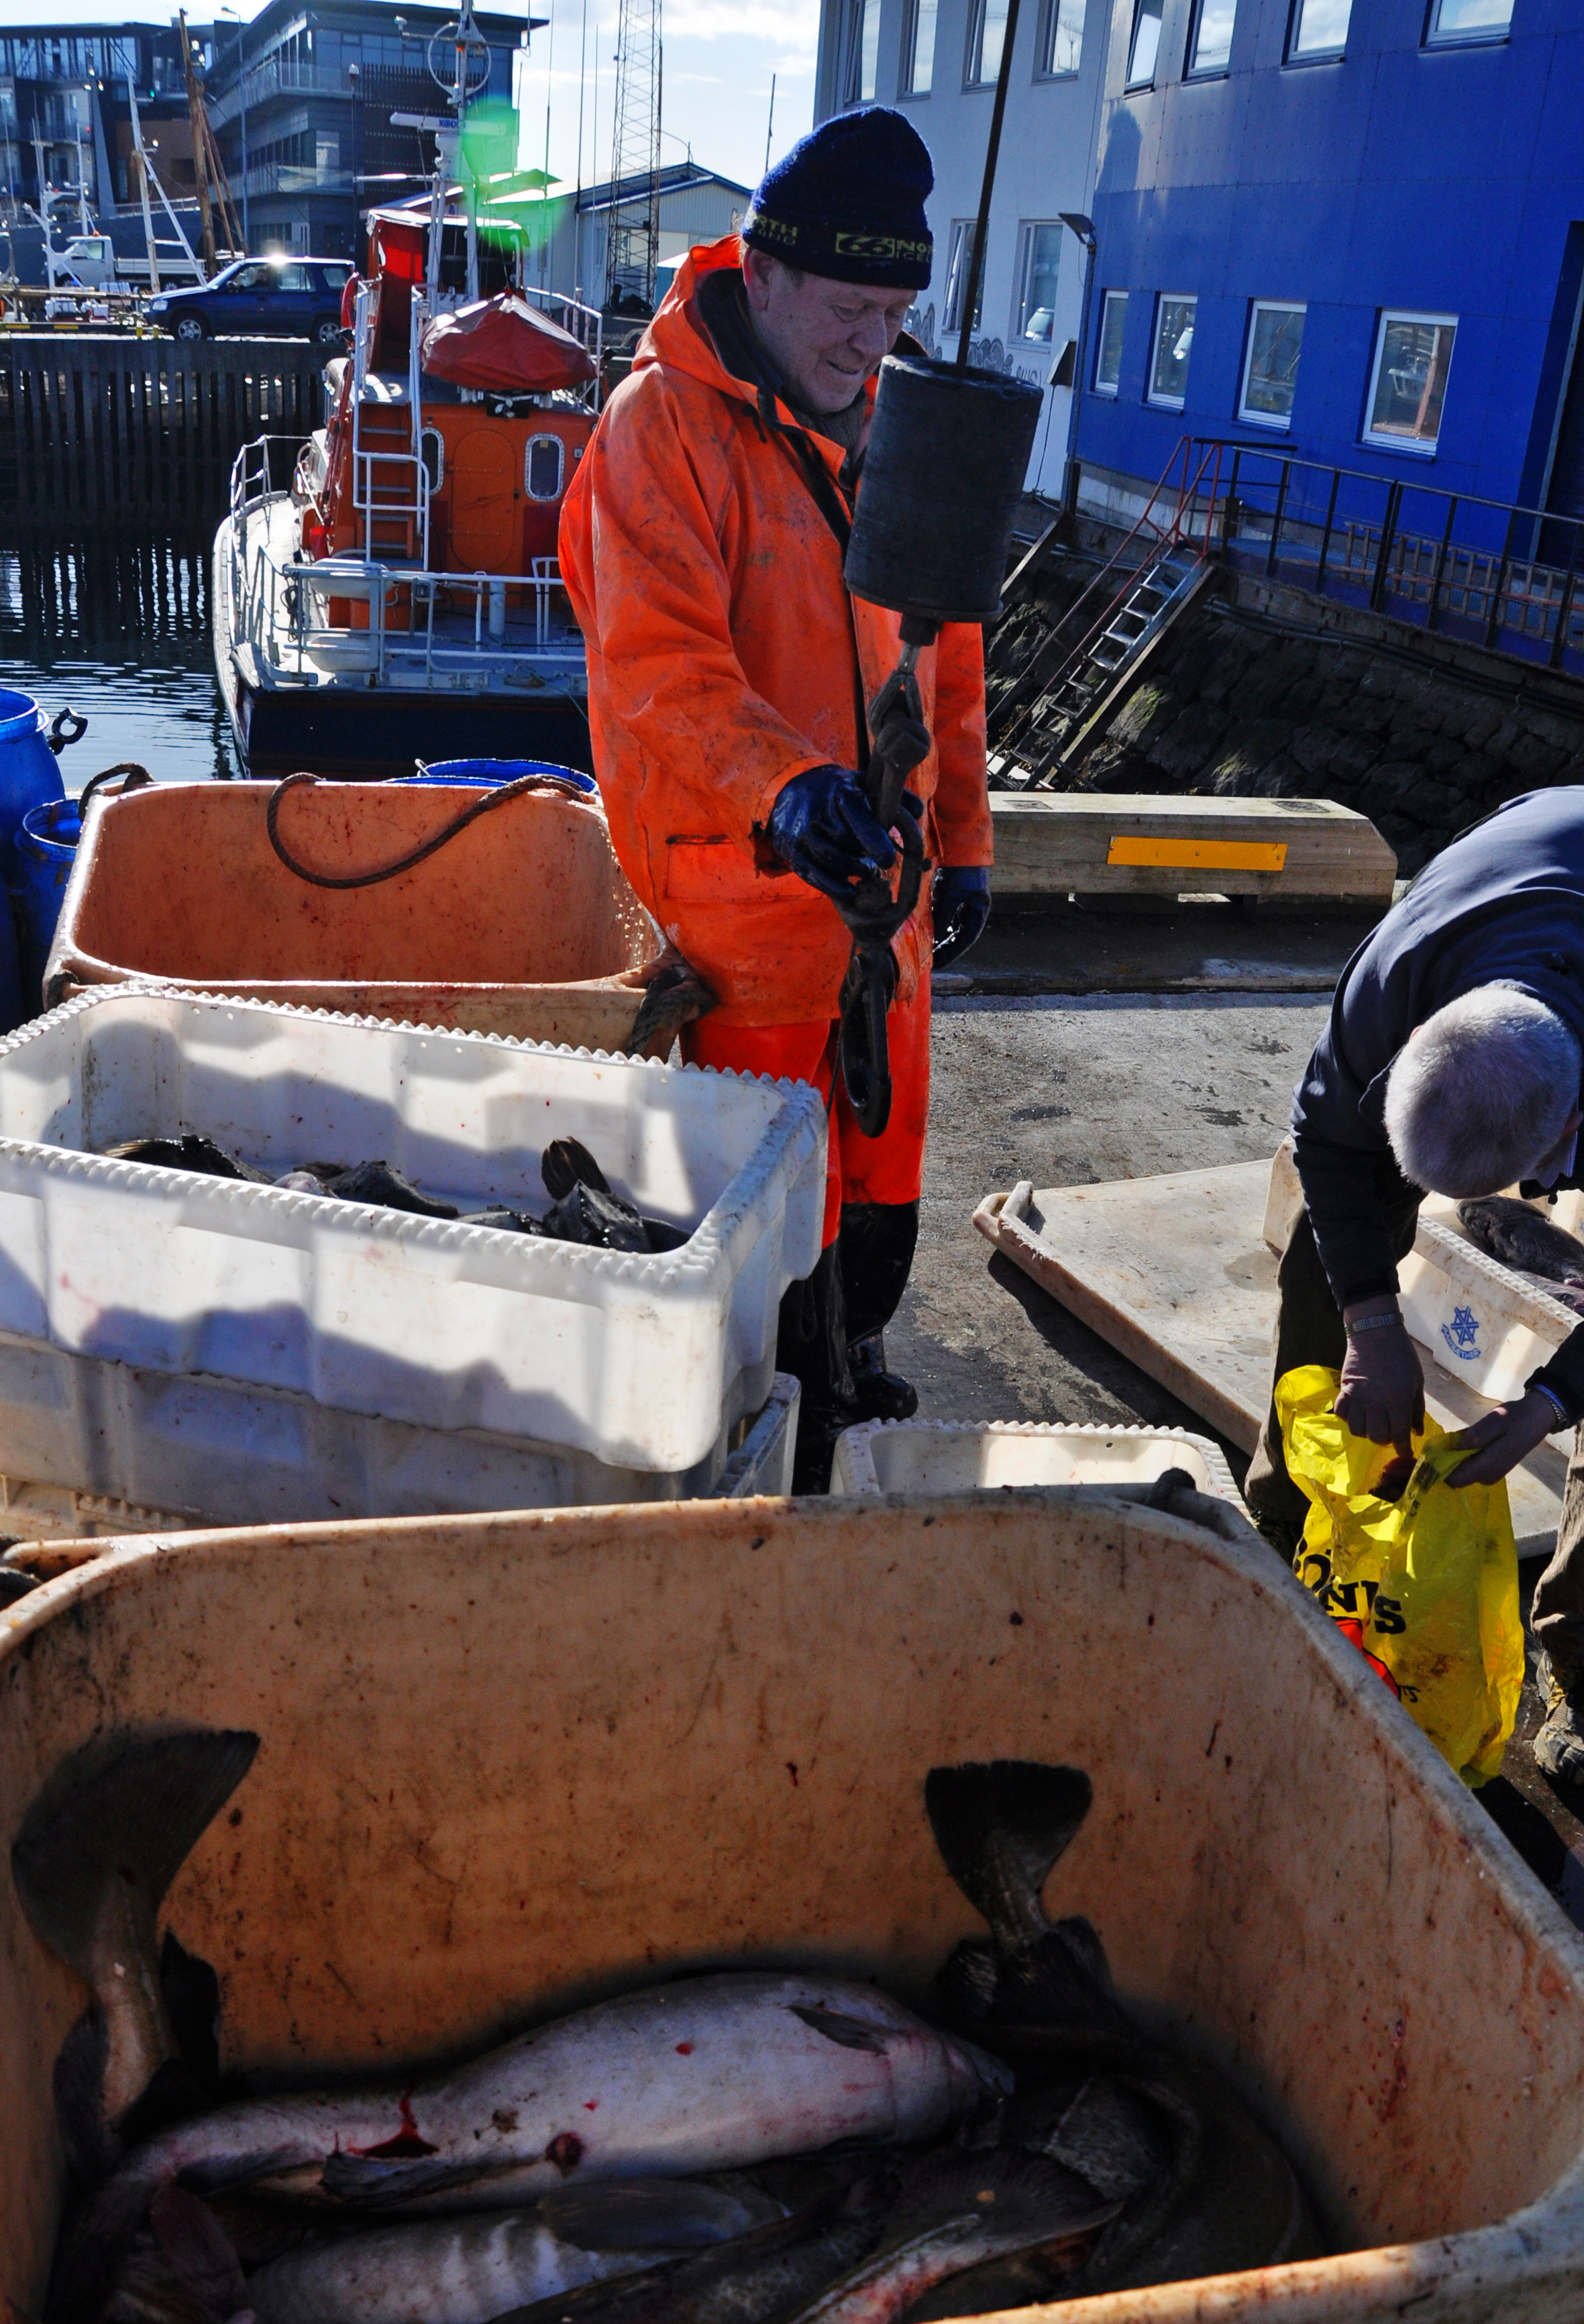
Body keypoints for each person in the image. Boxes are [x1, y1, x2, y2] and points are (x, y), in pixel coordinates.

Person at [558, 109, 993, 1484]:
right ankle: (770, 1411)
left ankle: (853, 1369)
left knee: (881, 1169)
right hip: (742, 908)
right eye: (850, 308)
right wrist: (787, 786)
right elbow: (654, 670)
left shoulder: (907, 417)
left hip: (886, 901)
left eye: (896, 310)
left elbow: (953, 656)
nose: (874, 341)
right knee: (761, 1206)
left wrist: (967, 842)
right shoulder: (658, 428)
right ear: (762, 277)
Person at [1246, 786, 1584, 1794]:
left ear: (1567, 1141)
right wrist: (1371, 1321)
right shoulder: (1399, 977)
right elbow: (1325, 1142)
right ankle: (1294, 1507)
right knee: (1337, 1237)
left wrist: (1547, 1404)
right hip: (1527, 848)